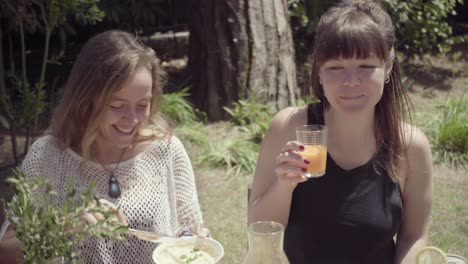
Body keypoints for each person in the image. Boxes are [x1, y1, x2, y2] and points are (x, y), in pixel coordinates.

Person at [247, 1, 433, 263]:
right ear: (319, 73)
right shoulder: (288, 127)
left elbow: (413, 237)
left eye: (366, 66)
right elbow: (261, 232)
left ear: (388, 67)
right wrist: (283, 185)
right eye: (335, 67)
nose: (351, 81)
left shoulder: (411, 146)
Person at [0, 30, 206, 263]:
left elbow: (188, 232)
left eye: (142, 105)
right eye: (117, 106)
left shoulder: (166, 150)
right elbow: (6, 252)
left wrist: (192, 239)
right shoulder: (48, 156)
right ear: (86, 100)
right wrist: (66, 226)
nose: (133, 119)